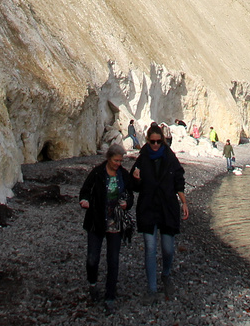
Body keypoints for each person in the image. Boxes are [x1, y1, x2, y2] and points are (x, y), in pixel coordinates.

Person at [130, 122, 188, 300]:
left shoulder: (170, 158)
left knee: (168, 249)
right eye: (152, 142)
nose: (155, 145)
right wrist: (136, 179)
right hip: (148, 207)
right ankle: (152, 289)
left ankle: (166, 274)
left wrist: (184, 202)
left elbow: (179, 180)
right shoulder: (142, 158)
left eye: (158, 142)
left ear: (163, 141)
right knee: (150, 248)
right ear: (147, 141)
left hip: (167, 207)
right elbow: (134, 186)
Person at [78, 143, 134, 310]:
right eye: (116, 160)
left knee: (113, 260)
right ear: (109, 158)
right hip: (96, 220)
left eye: (121, 161)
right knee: (92, 258)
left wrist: (127, 204)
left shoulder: (123, 174)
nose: (118, 163)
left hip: (115, 222)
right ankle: (93, 283)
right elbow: (85, 190)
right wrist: (84, 200)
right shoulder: (97, 173)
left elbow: (130, 194)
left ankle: (110, 295)